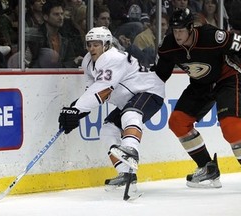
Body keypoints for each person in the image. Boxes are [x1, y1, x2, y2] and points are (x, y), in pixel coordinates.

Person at [58, 26, 165, 188]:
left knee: (130, 114)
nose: (92, 48)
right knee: (108, 129)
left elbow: (103, 88)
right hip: (130, 98)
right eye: (89, 44)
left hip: (149, 91)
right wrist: (77, 111)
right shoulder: (88, 61)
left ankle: (131, 149)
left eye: (96, 44)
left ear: (106, 45)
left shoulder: (113, 58)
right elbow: (93, 90)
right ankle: (126, 173)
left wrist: (76, 109)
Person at [153, 8, 241, 188]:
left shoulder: (210, 36)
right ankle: (207, 168)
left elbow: (239, 44)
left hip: (228, 79)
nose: (177, 35)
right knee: (177, 122)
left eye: (181, 30)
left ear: (191, 28)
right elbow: (160, 75)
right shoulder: (169, 45)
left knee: (231, 127)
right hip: (201, 85)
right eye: (174, 30)